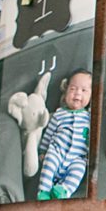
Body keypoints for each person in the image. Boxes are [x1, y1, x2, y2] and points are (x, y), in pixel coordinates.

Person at [35, 67, 93, 199]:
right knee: (49, 160)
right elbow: (49, 133)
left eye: (84, 90)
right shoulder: (59, 114)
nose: (77, 94)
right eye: (73, 89)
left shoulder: (89, 117)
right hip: (57, 151)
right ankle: (43, 191)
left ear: (91, 96)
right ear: (65, 91)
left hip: (77, 158)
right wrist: (42, 151)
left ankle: (64, 190)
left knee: (80, 169)